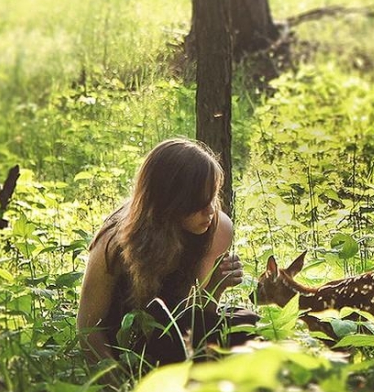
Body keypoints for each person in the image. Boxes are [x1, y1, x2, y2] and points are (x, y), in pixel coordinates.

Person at [77, 137, 256, 375]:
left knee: (249, 328)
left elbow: (198, 318)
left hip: (176, 332)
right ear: (169, 201)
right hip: (128, 346)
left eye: (212, 197)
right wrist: (116, 383)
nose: (211, 210)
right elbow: (88, 329)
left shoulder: (217, 229)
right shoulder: (114, 240)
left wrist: (215, 287)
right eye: (199, 202)